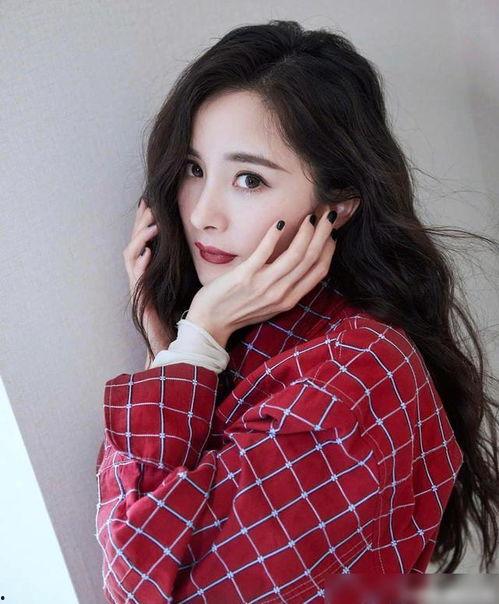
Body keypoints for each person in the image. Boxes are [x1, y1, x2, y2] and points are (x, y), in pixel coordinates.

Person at [95, 20, 499, 603]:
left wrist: (195, 341)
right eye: (194, 169)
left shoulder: (358, 370)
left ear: (336, 206)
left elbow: (144, 587)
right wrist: (177, 352)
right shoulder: (247, 344)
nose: (203, 213)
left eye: (249, 179)